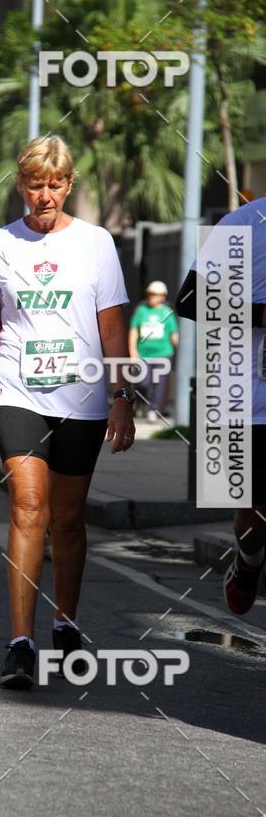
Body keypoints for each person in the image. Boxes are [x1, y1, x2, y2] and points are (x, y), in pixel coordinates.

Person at [0, 135, 135, 689]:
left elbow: (112, 328)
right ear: (21, 185)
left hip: (82, 397)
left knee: (68, 519)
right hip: (16, 393)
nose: (44, 195)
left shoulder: (96, 243)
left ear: (69, 185)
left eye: (54, 185)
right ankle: (21, 643)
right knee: (29, 507)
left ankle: (67, 623)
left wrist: (123, 395)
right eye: (34, 184)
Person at [176, 196, 266, 617]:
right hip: (249, 401)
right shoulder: (244, 222)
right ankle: (248, 562)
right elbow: (190, 299)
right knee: (254, 511)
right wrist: (261, 315)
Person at [129, 280, 179, 421]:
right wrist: (133, 351)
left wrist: (179, 349)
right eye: (150, 293)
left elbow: (174, 334)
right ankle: (139, 404)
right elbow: (134, 331)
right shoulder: (141, 310)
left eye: (155, 294)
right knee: (142, 383)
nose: (151, 296)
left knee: (160, 384)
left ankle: (153, 409)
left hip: (163, 353)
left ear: (163, 296)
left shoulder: (167, 312)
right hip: (143, 354)